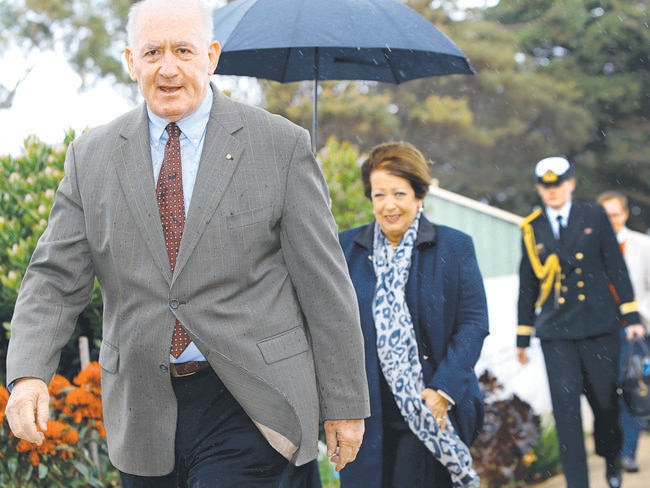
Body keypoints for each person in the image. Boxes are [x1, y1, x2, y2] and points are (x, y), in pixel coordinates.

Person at [4, 0, 370, 486]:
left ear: (212, 56)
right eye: (153, 52)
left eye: (183, 49)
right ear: (131, 61)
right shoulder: (89, 158)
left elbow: (324, 286)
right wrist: (28, 373)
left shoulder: (280, 146)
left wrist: (344, 402)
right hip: (142, 408)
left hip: (253, 403)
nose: (169, 68)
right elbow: (54, 278)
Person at [337, 141, 489, 488]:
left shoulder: (454, 246)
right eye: (378, 195)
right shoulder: (345, 249)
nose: (389, 205)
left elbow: (473, 324)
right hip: (366, 415)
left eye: (399, 193)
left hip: (430, 409)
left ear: (419, 196)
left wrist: (443, 389)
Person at [516, 156, 646, 488]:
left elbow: (615, 266)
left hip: (599, 327)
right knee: (566, 412)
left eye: (558, 184)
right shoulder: (532, 227)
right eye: (546, 186)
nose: (552, 192)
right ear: (539, 189)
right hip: (556, 332)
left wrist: (631, 315)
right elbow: (528, 283)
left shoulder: (593, 214)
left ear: (571, 184)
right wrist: (522, 335)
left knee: (605, 405)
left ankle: (612, 457)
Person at [597, 190, 650, 473]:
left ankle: (627, 452)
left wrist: (637, 319)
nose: (610, 220)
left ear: (625, 214)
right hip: (599, 333)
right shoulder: (589, 247)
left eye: (615, 215)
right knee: (605, 393)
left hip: (634, 333)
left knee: (633, 390)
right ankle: (612, 450)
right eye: (605, 215)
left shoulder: (643, 245)